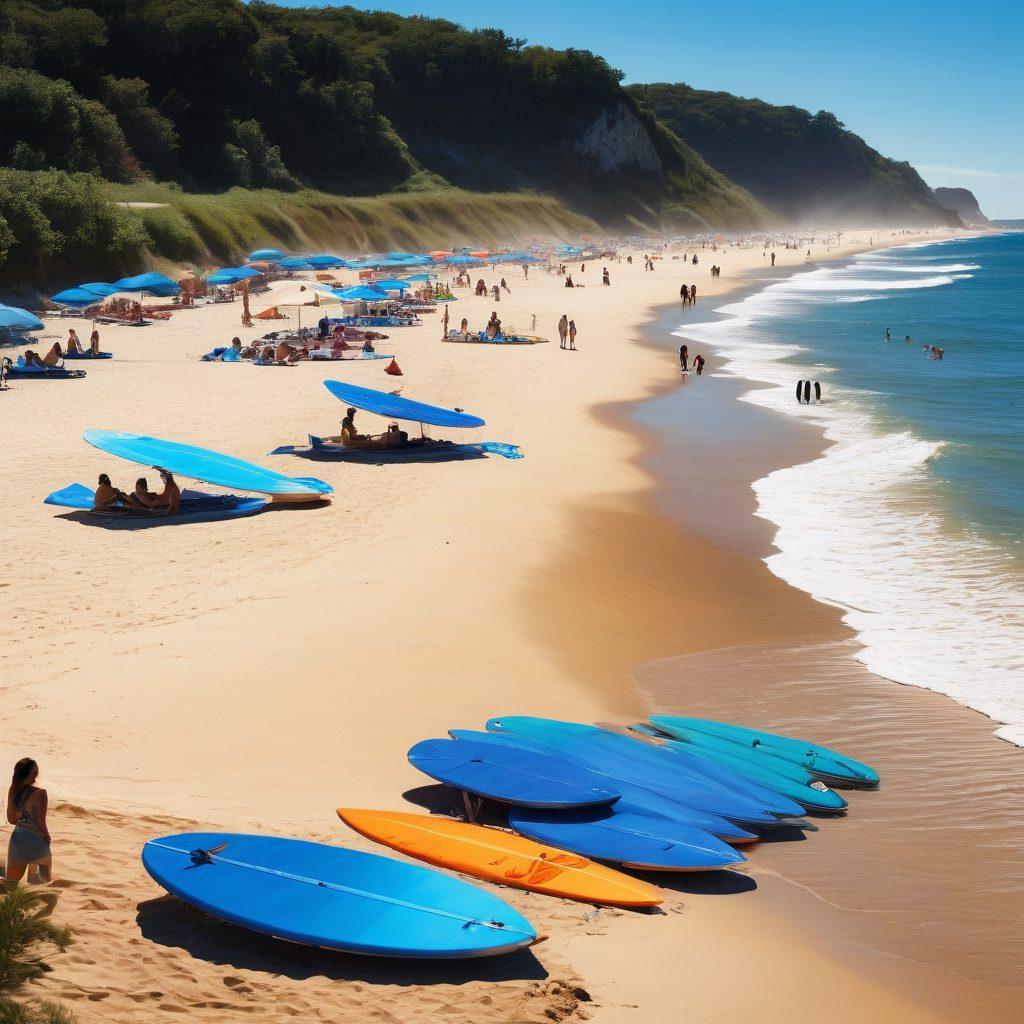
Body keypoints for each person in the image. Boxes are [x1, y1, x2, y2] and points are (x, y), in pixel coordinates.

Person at [6, 758, 52, 884]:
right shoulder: (41, 793)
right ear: (34, 773)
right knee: (41, 885)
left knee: (11, 885)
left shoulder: (12, 791)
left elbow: (11, 820)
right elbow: (40, 822)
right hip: (37, 841)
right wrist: (47, 837)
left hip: (17, 840)